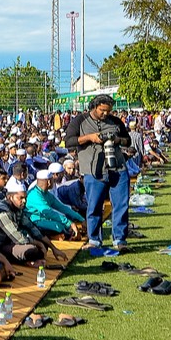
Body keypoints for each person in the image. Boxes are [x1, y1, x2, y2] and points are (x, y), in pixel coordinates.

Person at [64, 94, 133, 255]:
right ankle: (94, 240)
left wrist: (116, 140)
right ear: (94, 107)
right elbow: (68, 141)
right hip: (93, 170)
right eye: (102, 110)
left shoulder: (115, 121)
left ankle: (120, 240)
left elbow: (127, 140)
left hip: (117, 167)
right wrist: (90, 138)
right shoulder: (80, 121)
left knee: (121, 204)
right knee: (94, 206)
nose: (106, 114)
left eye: (108, 111)